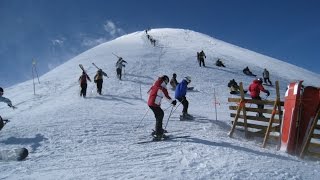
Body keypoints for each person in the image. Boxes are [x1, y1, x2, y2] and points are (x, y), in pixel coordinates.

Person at [147, 75, 176, 140]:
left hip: (151, 103)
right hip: (154, 103)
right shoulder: (162, 87)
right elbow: (166, 96)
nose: (167, 83)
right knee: (160, 115)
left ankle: (158, 130)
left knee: (159, 115)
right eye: (167, 81)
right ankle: (158, 134)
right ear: (165, 80)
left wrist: (155, 95)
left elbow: (148, 92)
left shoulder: (155, 84)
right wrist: (173, 102)